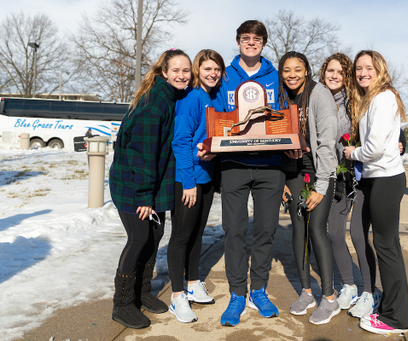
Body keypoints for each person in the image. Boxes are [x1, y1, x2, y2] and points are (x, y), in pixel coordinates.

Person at [200, 20, 284, 327]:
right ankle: (237, 293)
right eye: (246, 38)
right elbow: (215, 115)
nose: (251, 42)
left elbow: (285, 115)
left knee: (265, 230)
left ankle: (258, 290)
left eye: (257, 39)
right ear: (238, 41)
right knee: (234, 231)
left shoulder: (275, 76)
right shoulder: (225, 76)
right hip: (233, 165)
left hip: (270, 166)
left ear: (263, 43)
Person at [109, 49, 191, 329]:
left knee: (155, 235)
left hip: (151, 183)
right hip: (133, 183)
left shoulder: (170, 97)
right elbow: (143, 153)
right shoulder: (155, 102)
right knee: (140, 237)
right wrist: (145, 197)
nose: (182, 75)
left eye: (186, 71)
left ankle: (142, 293)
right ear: (164, 72)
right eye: (176, 70)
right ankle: (122, 304)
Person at [344, 50, 408, 335]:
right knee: (389, 246)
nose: (362, 73)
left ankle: (396, 319)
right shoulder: (374, 98)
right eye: (358, 69)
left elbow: (375, 149)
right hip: (380, 179)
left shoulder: (382, 99)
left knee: (385, 247)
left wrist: (351, 152)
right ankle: (395, 307)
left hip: (385, 179)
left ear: (379, 69)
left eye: (368, 68)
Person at [279, 51, 339, 325]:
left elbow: (327, 142)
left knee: (316, 230)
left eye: (297, 69)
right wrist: (280, 180)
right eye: (286, 70)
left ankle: (329, 298)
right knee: (298, 229)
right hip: (291, 172)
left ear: (306, 71)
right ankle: (306, 292)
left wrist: (322, 184)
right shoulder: (281, 97)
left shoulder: (319, 94)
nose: (292, 74)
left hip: (317, 170)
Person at [318, 53, 378, 319]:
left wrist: (399, 141)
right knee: (334, 235)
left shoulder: (358, 102)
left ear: (347, 77)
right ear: (323, 73)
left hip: (358, 175)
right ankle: (349, 286)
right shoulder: (316, 101)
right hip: (333, 177)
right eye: (330, 71)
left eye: (340, 72)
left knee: (357, 235)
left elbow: (379, 126)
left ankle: (369, 290)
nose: (334, 75)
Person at [167, 49, 225, 323]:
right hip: (187, 180)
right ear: (197, 71)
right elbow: (180, 141)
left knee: (197, 233)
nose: (212, 73)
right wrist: (188, 182)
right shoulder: (191, 98)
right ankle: (177, 296)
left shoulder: (214, 99)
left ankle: (192, 283)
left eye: (217, 69)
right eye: (207, 69)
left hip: (207, 178)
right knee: (181, 237)